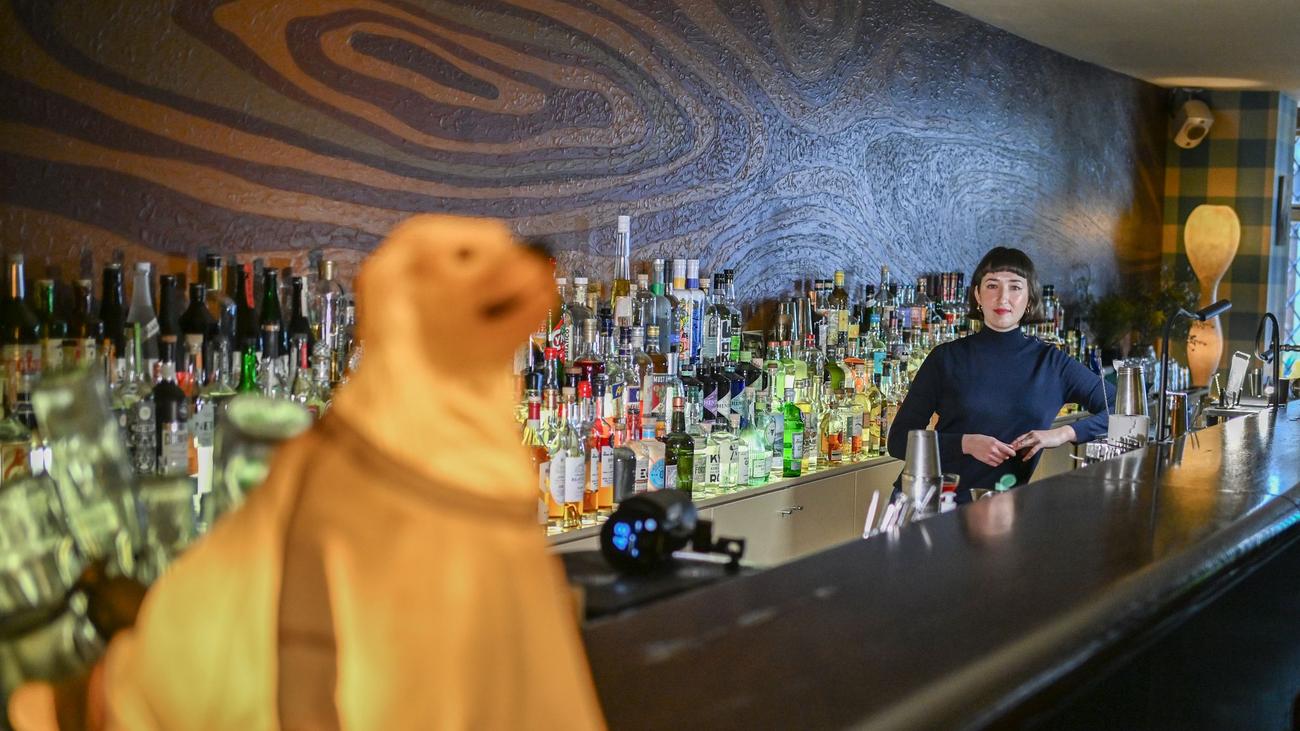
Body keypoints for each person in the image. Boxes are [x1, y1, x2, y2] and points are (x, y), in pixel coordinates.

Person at [886, 247, 1112, 503]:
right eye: (992, 285)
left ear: (1029, 298)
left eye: (1015, 287)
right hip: (927, 503)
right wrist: (965, 443)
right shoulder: (946, 358)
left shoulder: (1052, 364)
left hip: (999, 510)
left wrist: (1061, 434)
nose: (1003, 297)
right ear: (977, 295)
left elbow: (1122, 410)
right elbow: (898, 441)